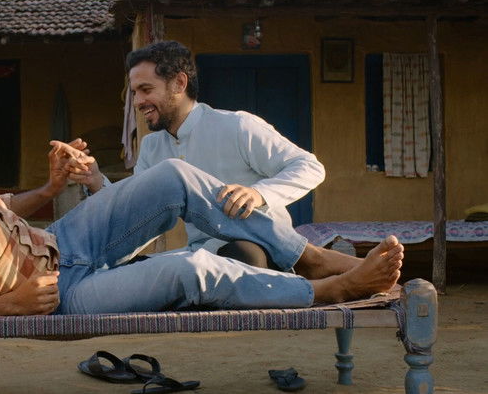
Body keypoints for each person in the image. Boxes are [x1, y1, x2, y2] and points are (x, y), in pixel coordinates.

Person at [0, 80, 402, 318]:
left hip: (61, 241)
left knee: (175, 176)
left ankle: (307, 257)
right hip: (60, 295)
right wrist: (9, 306)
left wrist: (49, 190)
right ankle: (326, 291)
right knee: (192, 268)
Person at [73, 41, 326, 269]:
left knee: (242, 258)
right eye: (134, 92)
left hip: (258, 249)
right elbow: (135, 212)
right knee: (122, 272)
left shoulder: (237, 126)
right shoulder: (152, 147)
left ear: (179, 83)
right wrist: (95, 180)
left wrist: (259, 194)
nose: (138, 101)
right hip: (200, 257)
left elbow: (309, 167)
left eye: (146, 89)